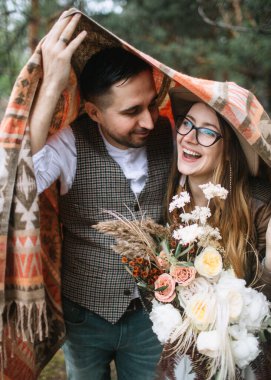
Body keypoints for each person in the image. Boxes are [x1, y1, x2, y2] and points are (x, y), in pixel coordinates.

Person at [29, 11, 173, 380]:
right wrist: (51, 86)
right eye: (131, 111)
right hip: (85, 314)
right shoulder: (69, 144)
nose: (148, 121)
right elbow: (14, 181)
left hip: (154, 315)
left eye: (151, 104)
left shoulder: (172, 137)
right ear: (93, 111)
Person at [164, 87, 271, 380]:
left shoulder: (259, 203)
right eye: (187, 123)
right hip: (181, 356)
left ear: (229, 151)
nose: (188, 136)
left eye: (207, 132)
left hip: (246, 356)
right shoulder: (170, 193)